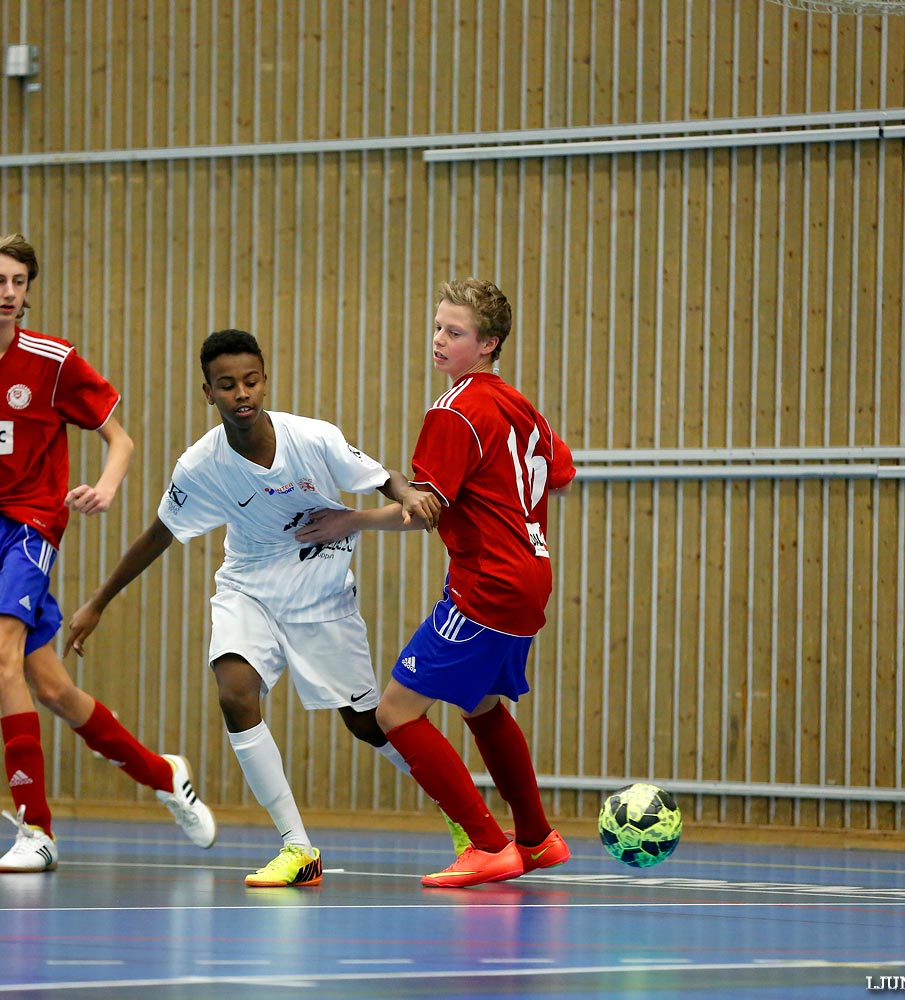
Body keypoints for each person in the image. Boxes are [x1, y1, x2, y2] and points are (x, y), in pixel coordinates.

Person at [65, 329, 448, 888]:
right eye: (227, 385)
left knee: (369, 724)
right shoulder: (200, 466)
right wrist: (98, 603)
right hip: (249, 588)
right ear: (208, 393)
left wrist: (405, 494)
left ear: (264, 380)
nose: (241, 393)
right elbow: (159, 535)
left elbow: (378, 476)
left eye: (250, 381)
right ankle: (297, 848)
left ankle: (464, 819)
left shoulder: (312, 438)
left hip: (320, 590)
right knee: (235, 693)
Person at [0, 233, 216, 873]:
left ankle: (35, 828)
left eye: (20, 282)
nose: (11, 293)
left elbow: (119, 440)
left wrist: (103, 487)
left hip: (32, 526)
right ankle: (162, 771)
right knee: (50, 686)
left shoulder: (52, 361)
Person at [319, 278, 576, 888]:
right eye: (437, 326)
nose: (439, 339)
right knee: (482, 705)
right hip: (529, 574)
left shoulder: (454, 410)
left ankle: (488, 844)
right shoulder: (517, 403)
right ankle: (536, 838)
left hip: (486, 582)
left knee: (396, 712)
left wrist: (347, 519)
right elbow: (560, 476)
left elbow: (420, 510)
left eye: (454, 332)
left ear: (488, 343)